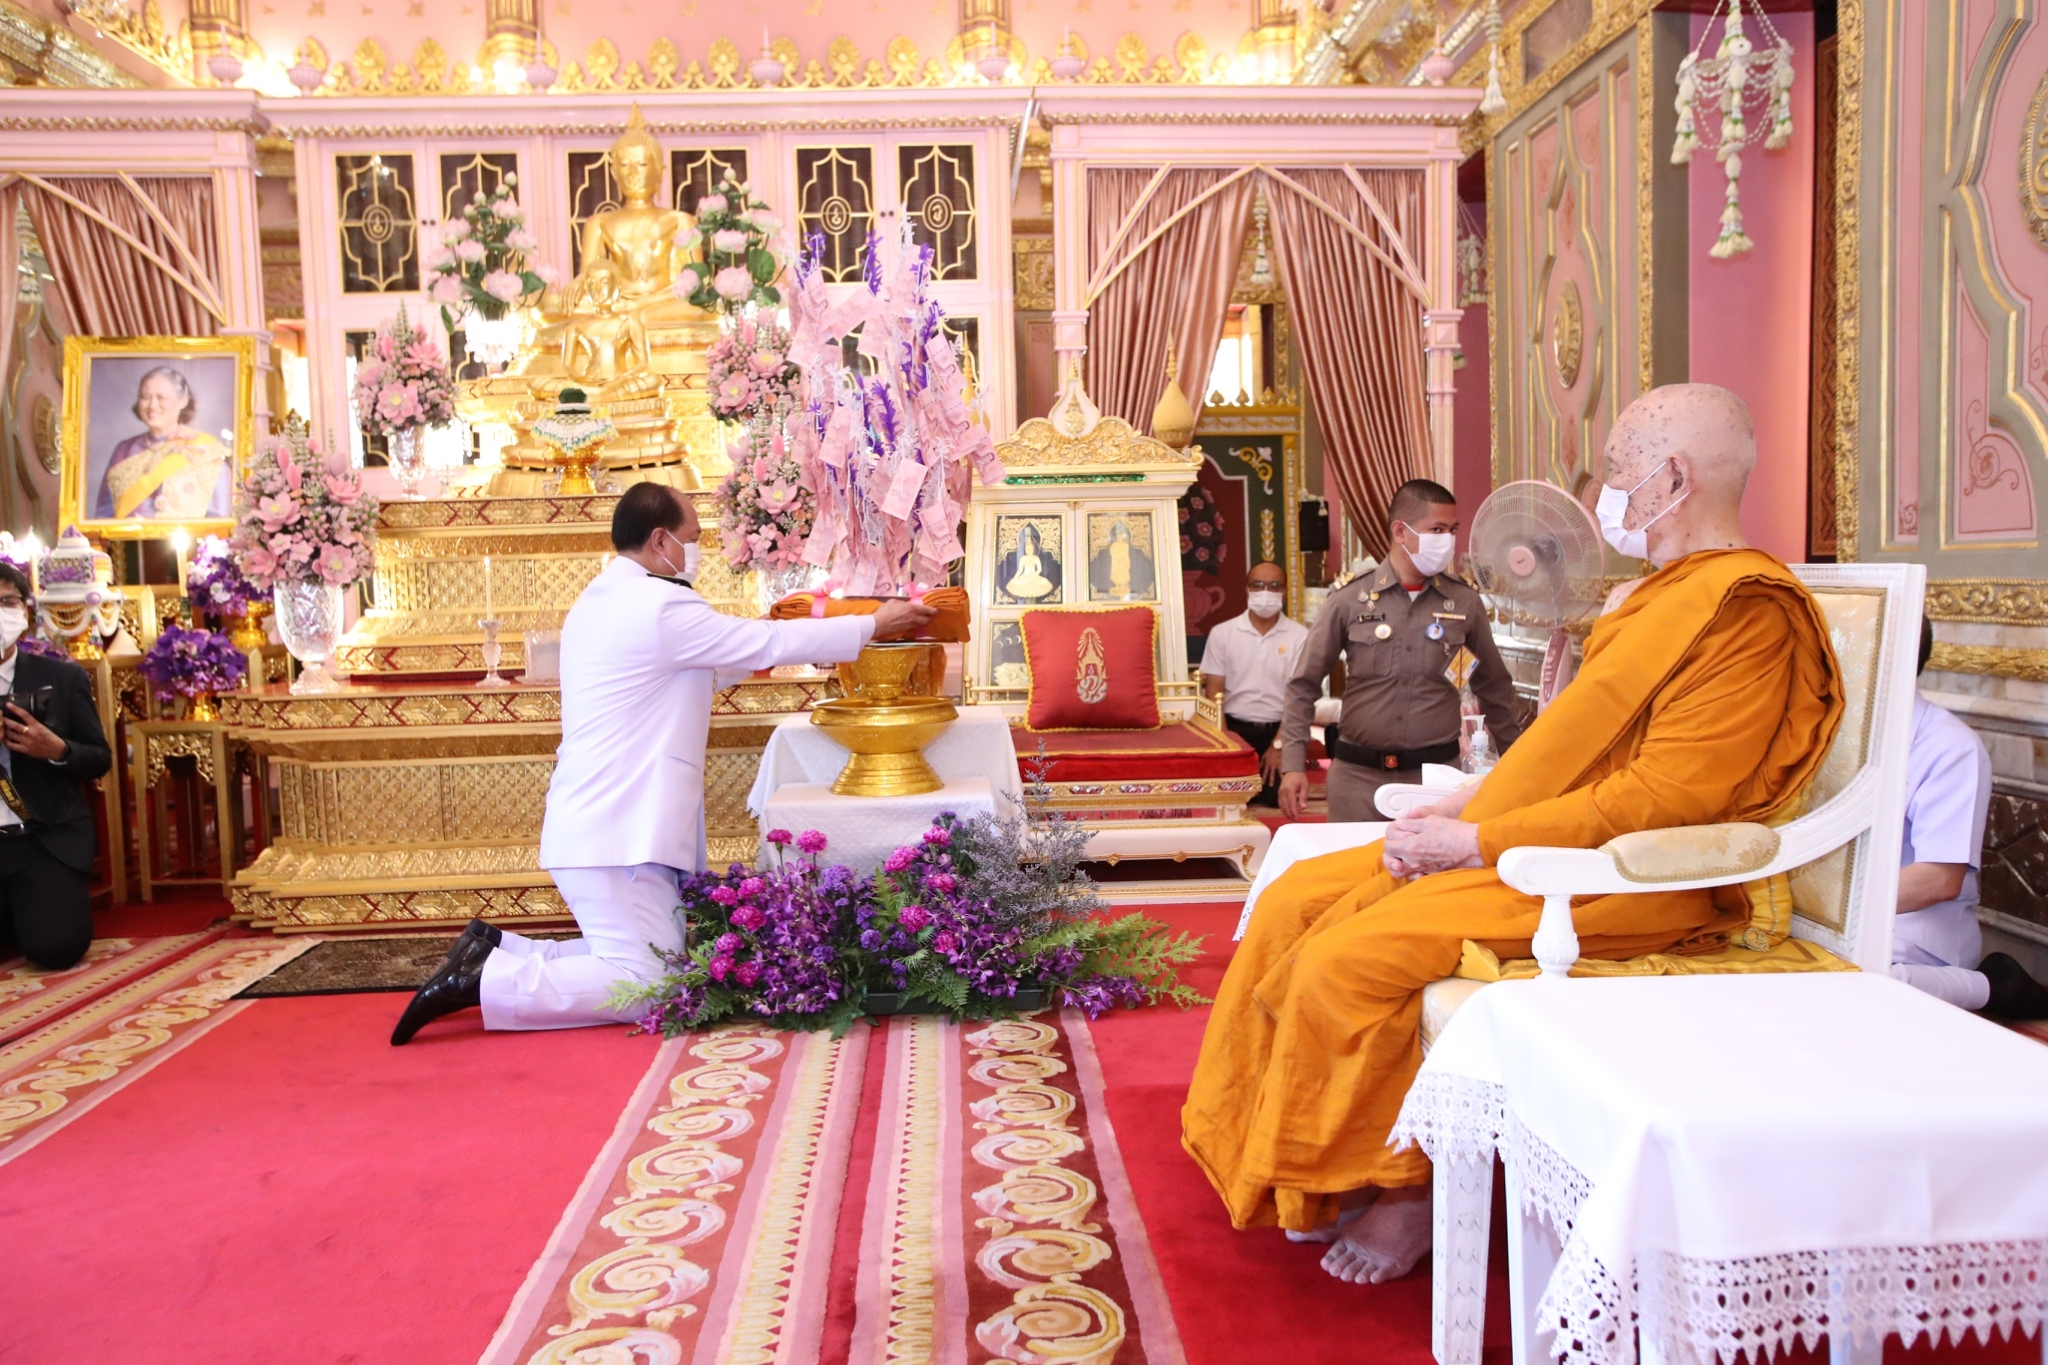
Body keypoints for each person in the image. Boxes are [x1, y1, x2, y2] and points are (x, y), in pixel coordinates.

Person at [1183, 384, 1845, 1287]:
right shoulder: (1653, 597)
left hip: (1636, 878)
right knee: (1296, 896)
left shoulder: (1744, 612)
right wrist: (1470, 806)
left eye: (1618, 468)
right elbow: (1576, 758)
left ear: (1674, 478)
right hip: (1548, 844)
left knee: (1350, 958)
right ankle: (1310, 1156)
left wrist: (1477, 841)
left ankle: (1404, 1184)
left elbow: (1658, 803)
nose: (1606, 488)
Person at [391, 482, 936, 1042]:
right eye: (693, 538)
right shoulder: (657, 605)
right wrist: (874, 623)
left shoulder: (603, 599)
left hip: (605, 824)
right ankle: (483, 980)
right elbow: (759, 645)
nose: (696, 551)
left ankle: (496, 949)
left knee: (641, 958)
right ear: (660, 539)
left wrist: (772, 634)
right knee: (651, 983)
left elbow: (718, 660)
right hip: (617, 830)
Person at [1277, 479, 1521, 824]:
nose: (1447, 541)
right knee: (1353, 874)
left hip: (1435, 779)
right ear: (1400, 531)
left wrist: (1515, 763)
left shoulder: (1463, 603)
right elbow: (1303, 684)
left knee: (1431, 875)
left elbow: (1492, 685)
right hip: (1357, 779)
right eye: (1436, 529)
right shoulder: (1350, 599)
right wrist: (1292, 765)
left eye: (1452, 530)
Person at [1890, 617, 2048, 1017]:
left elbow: (1938, 879)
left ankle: (1991, 988)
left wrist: (1834, 911)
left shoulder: (1950, 747)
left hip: (1917, 937)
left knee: (1837, 980)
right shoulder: (1823, 731)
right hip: (1851, 923)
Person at [0, 561, 114, 971]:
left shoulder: (61, 678)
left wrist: (56, 749)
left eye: (6, 602)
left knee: (57, 950)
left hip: (40, 838)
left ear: (25, 611)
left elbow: (98, 758)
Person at [1200, 561, 1309, 807]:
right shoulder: (1223, 633)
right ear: (1247, 590)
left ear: (1284, 592)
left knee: (1276, 799)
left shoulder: (1300, 636)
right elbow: (1213, 692)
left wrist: (1280, 745)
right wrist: (1227, 744)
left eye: (1274, 586)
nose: (1266, 592)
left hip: (1281, 731)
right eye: (1258, 585)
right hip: (1235, 731)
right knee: (1233, 801)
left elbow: (1299, 697)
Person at [94, 366, 232, 521]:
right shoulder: (124, 450)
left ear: (183, 401)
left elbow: (220, 518)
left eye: (161, 398)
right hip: (129, 544)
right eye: (145, 397)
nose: (152, 405)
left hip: (193, 543)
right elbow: (104, 515)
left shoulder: (206, 450)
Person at [999, 523, 1060, 602]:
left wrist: (1034, 573)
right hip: (1025, 576)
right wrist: (1015, 578)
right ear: (1025, 549)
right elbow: (1020, 570)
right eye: (1027, 549)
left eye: (1030, 549)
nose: (1029, 550)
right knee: (1018, 584)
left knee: (1043, 582)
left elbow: (1039, 569)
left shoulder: (1035, 558)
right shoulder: (1023, 559)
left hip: (1033, 576)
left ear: (1033, 549)